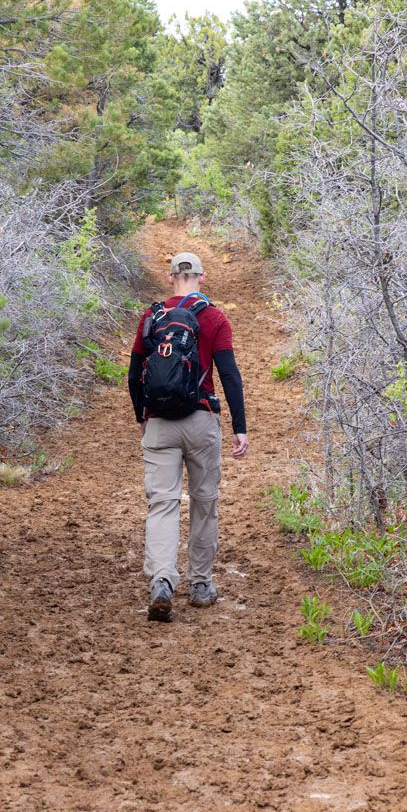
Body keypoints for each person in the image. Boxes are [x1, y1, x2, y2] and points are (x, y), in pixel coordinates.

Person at [128, 250, 249, 622]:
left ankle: (162, 579)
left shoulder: (152, 316)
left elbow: (134, 374)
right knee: (204, 501)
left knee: (162, 504)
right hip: (201, 421)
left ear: (169, 278)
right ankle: (199, 584)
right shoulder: (214, 318)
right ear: (201, 277)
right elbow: (229, 374)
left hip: (160, 421)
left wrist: (142, 417)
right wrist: (239, 427)